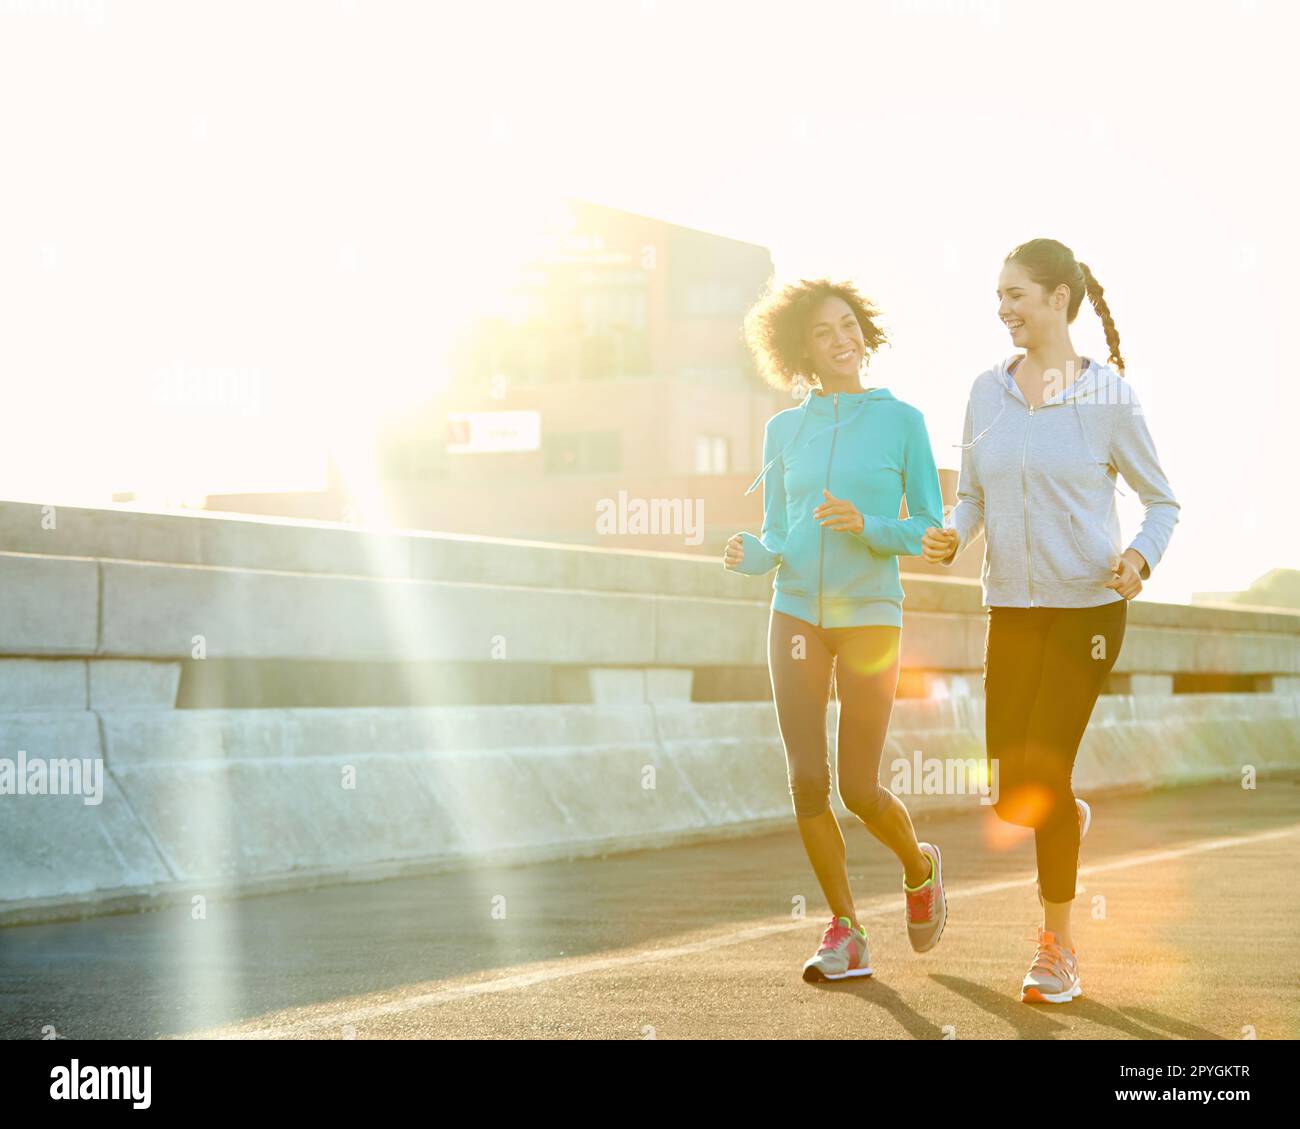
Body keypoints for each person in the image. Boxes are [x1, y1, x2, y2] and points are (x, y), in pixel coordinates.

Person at [921, 238, 1180, 1003]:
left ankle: (1056, 948)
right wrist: (952, 531)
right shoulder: (984, 391)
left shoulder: (1109, 398)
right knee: (1014, 790)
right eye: (999, 297)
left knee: (1046, 774)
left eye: (1016, 296)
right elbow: (970, 493)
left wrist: (1139, 560)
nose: (1003, 310)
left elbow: (1162, 500)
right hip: (1011, 608)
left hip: (1088, 613)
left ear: (1059, 299)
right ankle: (1064, 811)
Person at [725, 277, 948, 983]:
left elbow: (930, 529)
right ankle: (846, 927)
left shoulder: (903, 420)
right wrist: (750, 554)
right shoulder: (784, 429)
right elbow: (778, 537)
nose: (841, 339)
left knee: (858, 786)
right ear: (802, 351)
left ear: (866, 331)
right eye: (823, 332)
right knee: (806, 780)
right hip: (794, 611)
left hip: (870, 619)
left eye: (848, 324)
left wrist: (868, 525)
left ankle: (919, 867)